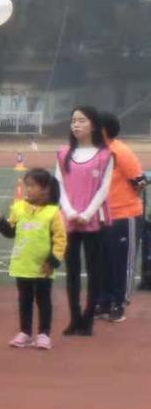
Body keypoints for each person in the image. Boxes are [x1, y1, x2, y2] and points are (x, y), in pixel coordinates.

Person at [0, 169, 66, 350]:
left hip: (43, 267)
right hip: (22, 264)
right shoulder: (19, 208)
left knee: (43, 300)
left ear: (45, 189)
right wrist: (0, 221)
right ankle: (25, 332)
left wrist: (52, 261)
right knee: (24, 300)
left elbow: (60, 240)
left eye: (32, 186)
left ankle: (44, 334)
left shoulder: (53, 213)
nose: (28, 189)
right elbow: (11, 232)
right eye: (27, 186)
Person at [55, 106, 113, 336]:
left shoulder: (105, 155)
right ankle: (74, 318)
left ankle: (88, 318)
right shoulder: (63, 154)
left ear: (94, 125)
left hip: (93, 221)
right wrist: (69, 212)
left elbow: (104, 189)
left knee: (94, 270)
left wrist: (87, 214)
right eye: (73, 121)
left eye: (81, 120)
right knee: (72, 271)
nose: (76, 125)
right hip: (69, 221)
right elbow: (59, 184)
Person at [98, 112, 143, 322]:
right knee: (104, 261)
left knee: (122, 261)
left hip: (125, 216)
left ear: (103, 130)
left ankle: (119, 303)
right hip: (102, 216)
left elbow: (139, 182)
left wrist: (125, 202)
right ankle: (104, 301)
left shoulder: (121, 152)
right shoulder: (96, 152)